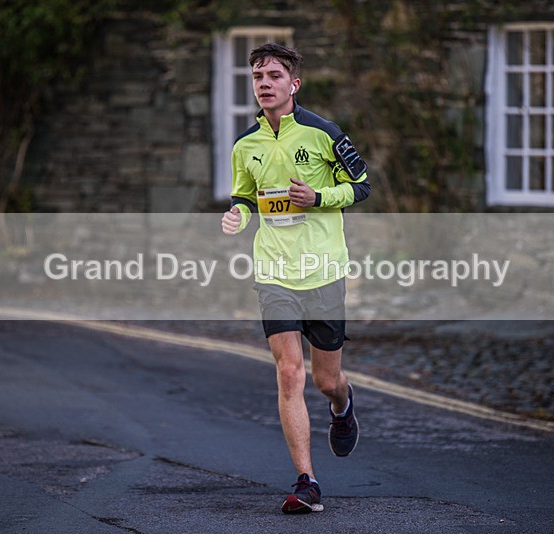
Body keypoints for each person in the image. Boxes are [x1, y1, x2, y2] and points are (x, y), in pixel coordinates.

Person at [221, 43, 370, 514]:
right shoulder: (246, 145)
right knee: (289, 373)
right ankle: (307, 481)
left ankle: (342, 406)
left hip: (323, 270)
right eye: (258, 76)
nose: (264, 83)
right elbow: (246, 197)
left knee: (326, 380)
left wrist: (320, 198)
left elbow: (362, 185)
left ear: (293, 84)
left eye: (273, 76)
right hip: (273, 271)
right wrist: (238, 215)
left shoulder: (324, 133)